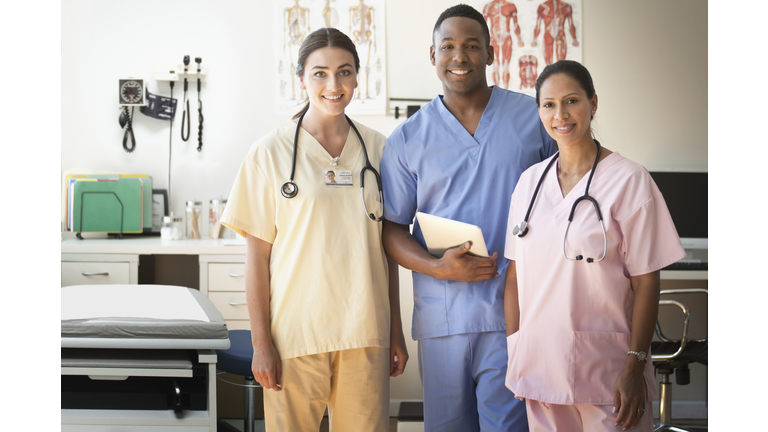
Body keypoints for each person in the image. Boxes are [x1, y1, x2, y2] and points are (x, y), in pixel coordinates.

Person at [220, 27, 408, 432]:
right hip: (295, 337)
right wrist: (261, 344)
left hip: (365, 332)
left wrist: (395, 331)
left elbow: (387, 248)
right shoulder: (268, 153)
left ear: (358, 77)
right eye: (320, 73)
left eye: (344, 72)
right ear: (301, 79)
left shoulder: (381, 149)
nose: (333, 85)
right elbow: (257, 257)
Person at [380, 4, 556, 431]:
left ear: (491, 53)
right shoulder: (407, 139)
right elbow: (392, 230)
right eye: (449, 46)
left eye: (472, 46)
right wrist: (436, 266)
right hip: (444, 321)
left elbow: (564, 197)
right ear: (433, 55)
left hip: (515, 313)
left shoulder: (533, 119)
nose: (459, 56)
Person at [503, 60, 686, 432]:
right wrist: (516, 350)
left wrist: (635, 365)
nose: (560, 114)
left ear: (593, 103)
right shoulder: (529, 183)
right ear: (539, 110)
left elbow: (646, 282)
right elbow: (514, 278)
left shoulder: (630, 180)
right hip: (540, 368)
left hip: (610, 372)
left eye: (571, 101)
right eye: (549, 104)